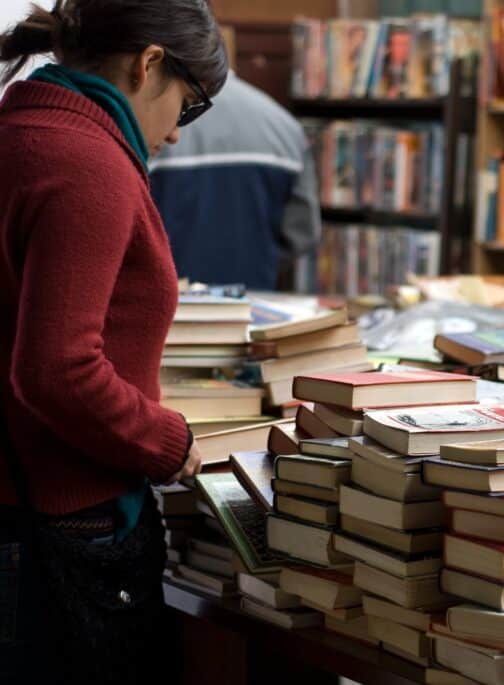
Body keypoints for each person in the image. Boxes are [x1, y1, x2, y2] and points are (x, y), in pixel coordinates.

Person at [0, 1, 226, 682]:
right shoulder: (87, 163)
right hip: (62, 527)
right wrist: (167, 441)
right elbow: (57, 369)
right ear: (148, 63)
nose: (178, 135)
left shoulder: (21, 131)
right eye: (186, 106)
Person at [149, 70, 322, 290]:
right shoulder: (284, 126)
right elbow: (303, 232)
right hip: (252, 301)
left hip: (171, 303)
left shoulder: (155, 125)